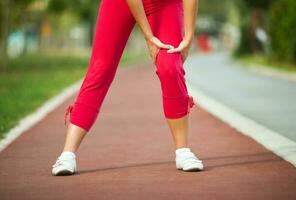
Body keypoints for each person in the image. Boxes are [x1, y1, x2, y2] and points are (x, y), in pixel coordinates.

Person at [52, 0, 203, 176]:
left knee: (170, 67)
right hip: (119, 3)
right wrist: (149, 37)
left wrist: (189, 36)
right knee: (101, 70)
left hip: (165, 4)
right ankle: (67, 154)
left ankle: (183, 152)